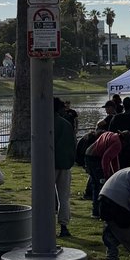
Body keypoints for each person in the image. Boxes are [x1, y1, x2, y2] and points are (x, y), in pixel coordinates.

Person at [54, 98, 76, 239]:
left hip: (47, 165)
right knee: (64, 197)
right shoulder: (66, 124)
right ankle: (63, 226)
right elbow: (72, 144)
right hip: (64, 164)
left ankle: (46, 226)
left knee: (46, 197)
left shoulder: (43, 123)